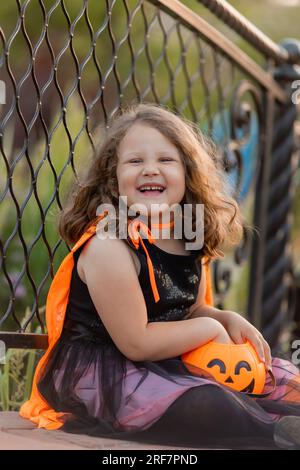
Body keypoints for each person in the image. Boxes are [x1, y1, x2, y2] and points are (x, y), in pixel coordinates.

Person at [19, 103, 300, 449]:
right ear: (113, 176)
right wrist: (211, 329)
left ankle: (280, 424)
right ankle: (277, 435)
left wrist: (224, 318)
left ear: (188, 173)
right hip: (106, 373)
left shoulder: (188, 234)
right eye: (135, 161)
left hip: (166, 362)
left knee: (283, 381)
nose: (150, 170)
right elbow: (136, 343)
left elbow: (191, 310)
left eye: (166, 161)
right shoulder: (109, 245)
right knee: (209, 403)